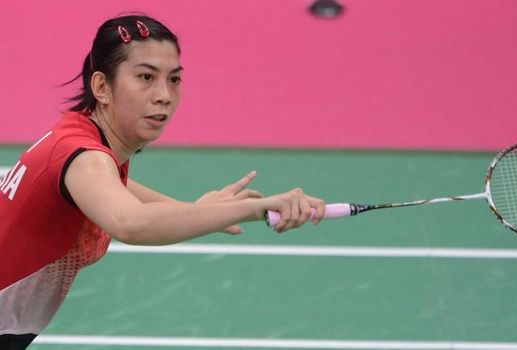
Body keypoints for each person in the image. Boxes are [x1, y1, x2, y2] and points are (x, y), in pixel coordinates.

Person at [0, 14, 325, 348]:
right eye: (145, 77)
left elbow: (114, 189)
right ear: (101, 87)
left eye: (174, 80)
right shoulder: (84, 157)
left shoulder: (84, 142)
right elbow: (131, 223)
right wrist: (255, 209)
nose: (164, 96)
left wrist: (191, 210)